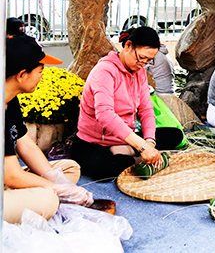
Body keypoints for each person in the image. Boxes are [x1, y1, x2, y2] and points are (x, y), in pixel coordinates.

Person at [72, 27, 184, 181]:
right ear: (128, 46)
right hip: (95, 142)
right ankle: (132, 156)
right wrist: (142, 147)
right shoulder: (105, 71)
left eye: (148, 61)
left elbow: (146, 110)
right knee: (104, 170)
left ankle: (126, 151)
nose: (143, 64)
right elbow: (104, 114)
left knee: (175, 135)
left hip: (126, 138)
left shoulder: (140, 72)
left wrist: (149, 141)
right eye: (141, 57)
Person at [4, 35, 93, 224]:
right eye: (40, 70)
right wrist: (57, 189)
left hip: (6, 179)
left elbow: (25, 144)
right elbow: (11, 174)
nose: (42, 76)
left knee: (69, 169)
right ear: (21, 75)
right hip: (7, 178)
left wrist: (55, 181)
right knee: (48, 199)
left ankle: (30, 196)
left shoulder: (10, 100)